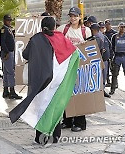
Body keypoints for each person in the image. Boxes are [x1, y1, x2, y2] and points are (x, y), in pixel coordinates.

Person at [9, 16, 79, 144]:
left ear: (41, 27)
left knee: (41, 106)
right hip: (57, 79)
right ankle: (55, 136)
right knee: (54, 103)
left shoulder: (36, 39)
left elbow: (25, 54)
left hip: (41, 80)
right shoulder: (61, 38)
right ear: (54, 27)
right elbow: (73, 53)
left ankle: (40, 137)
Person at [57, 7, 92, 132]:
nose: (73, 18)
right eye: (71, 16)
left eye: (75, 16)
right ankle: (67, 120)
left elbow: (90, 48)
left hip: (81, 67)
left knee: (79, 94)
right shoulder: (63, 29)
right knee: (66, 93)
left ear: (80, 17)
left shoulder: (86, 31)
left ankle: (80, 123)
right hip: (66, 66)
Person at [0, 14, 22, 99]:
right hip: (7, 53)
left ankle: (6, 90)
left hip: (9, 52)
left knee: (6, 72)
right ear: (4, 20)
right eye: (8, 20)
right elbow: (2, 42)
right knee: (11, 72)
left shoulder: (8, 29)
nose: (9, 22)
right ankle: (12, 91)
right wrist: (6, 52)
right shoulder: (3, 29)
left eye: (10, 20)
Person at [90, 23, 111, 98]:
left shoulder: (96, 37)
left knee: (99, 77)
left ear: (93, 30)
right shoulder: (103, 36)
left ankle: (100, 92)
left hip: (99, 60)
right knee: (103, 77)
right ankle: (102, 90)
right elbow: (110, 45)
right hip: (104, 59)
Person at [109, 22, 125, 95]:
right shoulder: (114, 36)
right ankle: (112, 89)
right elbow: (112, 46)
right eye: (121, 27)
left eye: (124, 27)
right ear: (118, 27)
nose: (122, 28)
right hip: (117, 57)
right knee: (115, 74)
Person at [104, 19, 117, 87]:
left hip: (112, 53)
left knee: (113, 69)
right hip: (106, 53)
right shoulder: (104, 33)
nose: (108, 26)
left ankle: (115, 83)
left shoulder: (114, 33)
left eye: (109, 24)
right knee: (106, 68)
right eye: (106, 24)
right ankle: (108, 81)